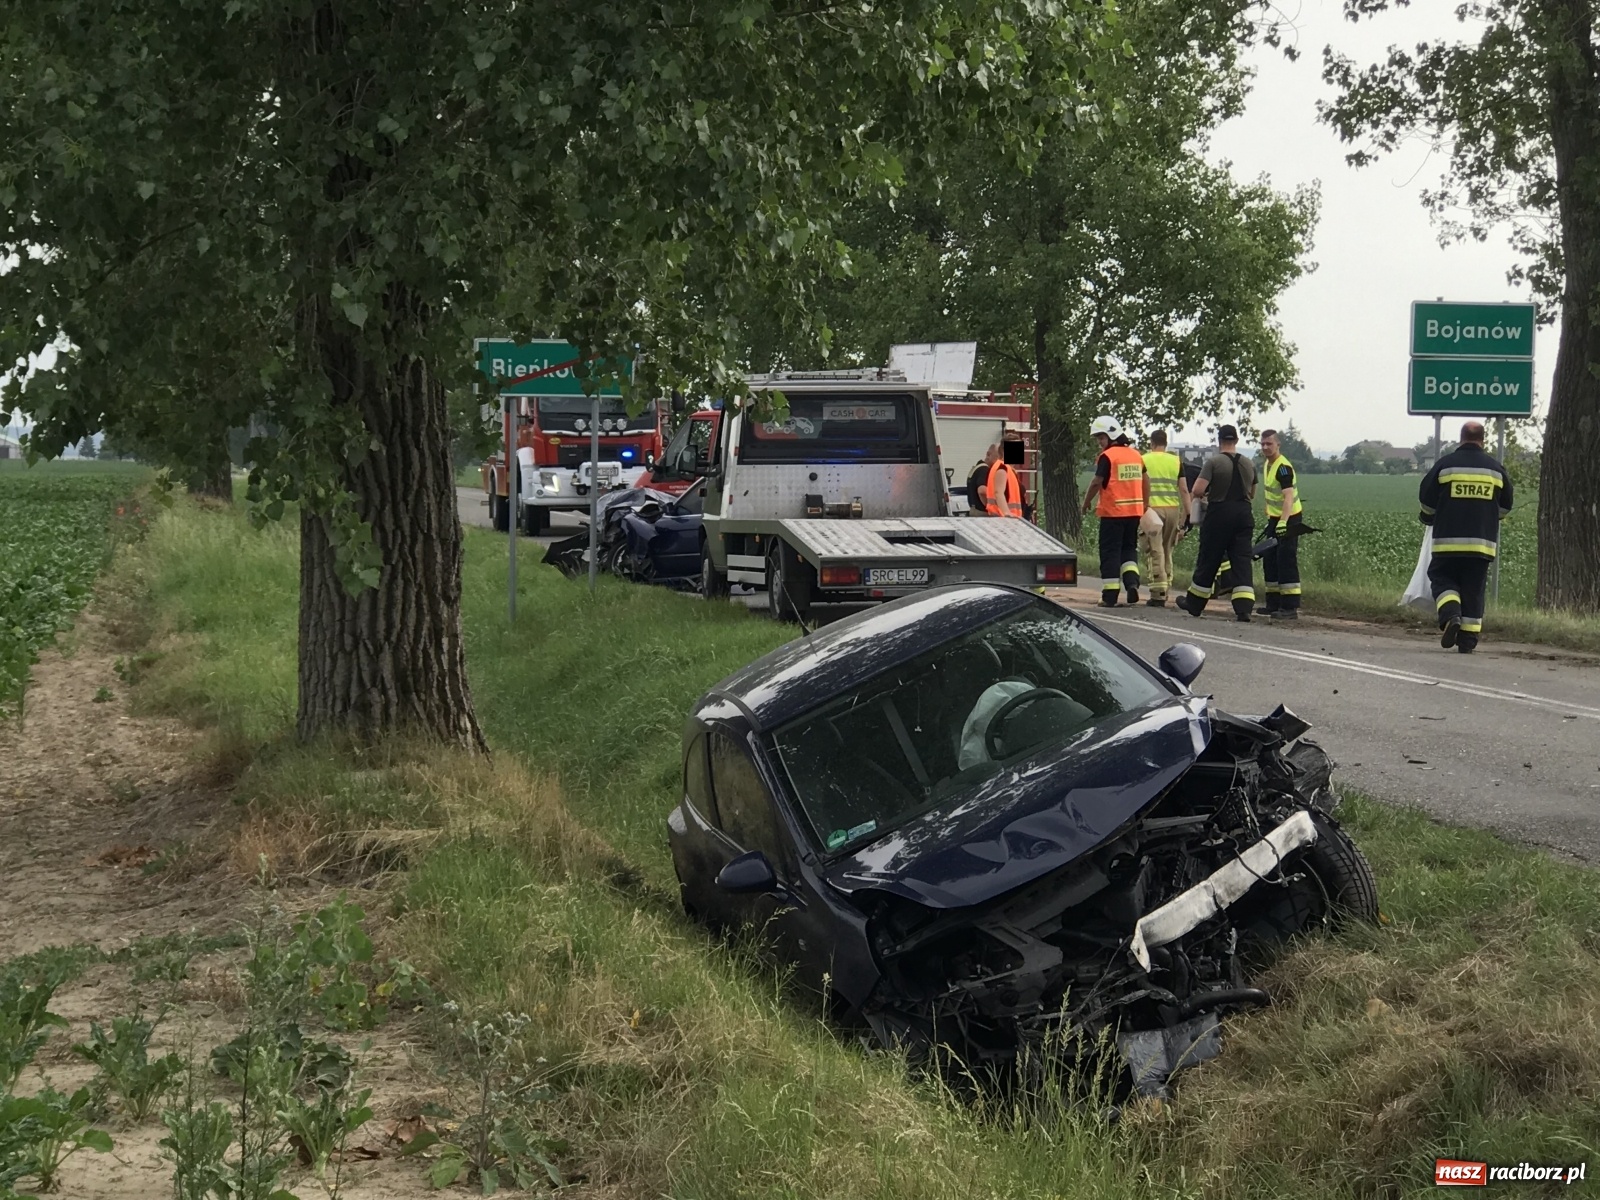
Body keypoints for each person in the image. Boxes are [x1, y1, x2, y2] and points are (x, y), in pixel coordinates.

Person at [1418, 421, 1513, 653]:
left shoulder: (1445, 466)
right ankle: (1467, 643)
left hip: (1447, 543)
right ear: (1483, 439)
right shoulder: (1496, 469)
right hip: (1482, 545)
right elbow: (1505, 508)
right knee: (1473, 590)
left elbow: (1427, 502)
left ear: (1461, 438)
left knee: (1440, 577)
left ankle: (1451, 615)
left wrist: (1427, 517)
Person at [1175, 425, 1256, 622]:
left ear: (1219, 441)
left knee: (1209, 558)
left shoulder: (1213, 462)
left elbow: (1198, 489)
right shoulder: (1249, 463)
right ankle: (1244, 608)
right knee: (1242, 560)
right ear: (1236, 441)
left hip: (1219, 513)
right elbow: (1252, 494)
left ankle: (1194, 604)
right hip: (1244, 514)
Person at [1080, 415, 1147, 607]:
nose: (1100, 443)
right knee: (1128, 549)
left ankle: (1110, 595)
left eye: (1101, 438)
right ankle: (1132, 583)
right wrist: (1146, 504)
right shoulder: (1135, 455)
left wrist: (1085, 504)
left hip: (1113, 513)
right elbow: (1146, 479)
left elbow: (1096, 482)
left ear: (1112, 435)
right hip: (1134, 512)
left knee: (1110, 552)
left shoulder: (1108, 457)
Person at [1256, 429, 1304, 620]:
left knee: (1286, 559)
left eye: (1269, 444)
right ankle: (1273, 603)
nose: (1266, 447)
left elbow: (1288, 497)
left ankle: (1290, 607)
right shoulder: (1268, 464)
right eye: (1263, 444)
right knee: (1270, 559)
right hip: (1275, 519)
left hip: (1289, 519)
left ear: (1278, 445)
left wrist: (1283, 521)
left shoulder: (1283, 467)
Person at [1139, 430, 1189, 607]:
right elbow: (1183, 489)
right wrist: (1187, 515)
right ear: (1165, 444)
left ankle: (1157, 594)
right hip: (1172, 510)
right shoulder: (1176, 461)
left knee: (1154, 550)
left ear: (1152, 443)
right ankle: (1166, 588)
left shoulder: (1144, 459)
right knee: (1167, 549)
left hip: (1152, 511)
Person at [984, 441, 1023, 518]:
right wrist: (1006, 513)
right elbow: (998, 493)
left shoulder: (1006, 468)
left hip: (1006, 517)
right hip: (1005, 518)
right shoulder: (1002, 468)